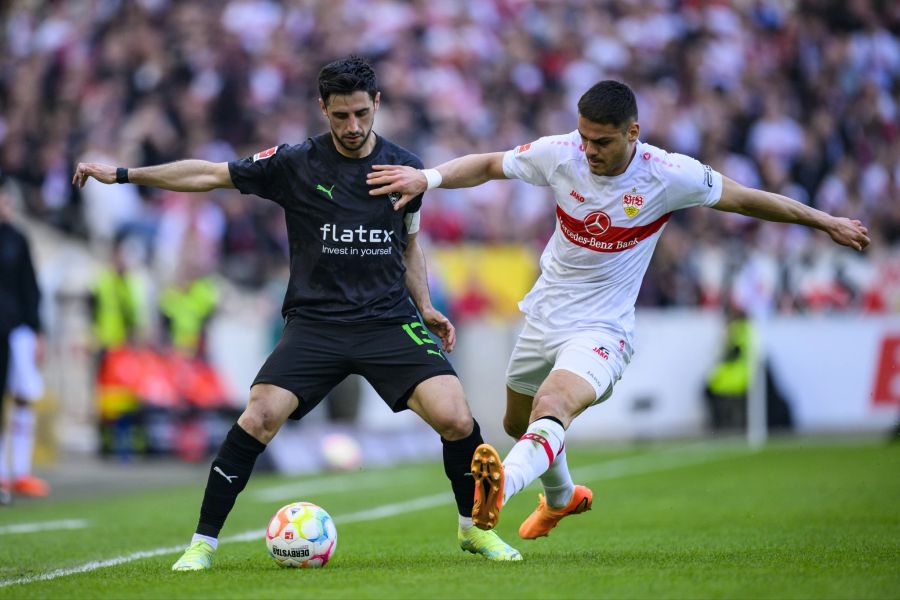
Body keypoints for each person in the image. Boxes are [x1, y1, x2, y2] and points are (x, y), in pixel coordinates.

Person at [367, 80, 870, 539]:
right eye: (585, 138)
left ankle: (500, 490)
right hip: (545, 313)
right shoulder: (561, 154)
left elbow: (744, 200)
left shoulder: (670, 174)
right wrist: (427, 178)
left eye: (602, 142)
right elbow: (488, 164)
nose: (589, 151)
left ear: (633, 132)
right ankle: (562, 497)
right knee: (521, 424)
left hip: (603, 327)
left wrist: (824, 221)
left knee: (551, 407)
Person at [72, 56, 521, 568]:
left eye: (360, 113)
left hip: (388, 320)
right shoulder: (295, 163)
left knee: (456, 416)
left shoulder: (405, 167)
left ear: (377, 104)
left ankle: (474, 530)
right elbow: (208, 175)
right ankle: (202, 543)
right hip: (317, 323)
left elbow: (409, 246)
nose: (352, 127)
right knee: (259, 416)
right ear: (323, 109)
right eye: (340, 116)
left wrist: (425, 307)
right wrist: (125, 174)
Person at [0, 176, 50, 505]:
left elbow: (31, 289)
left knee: (22, 397)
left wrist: (37, 331)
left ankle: (18, 471)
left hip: (16, 329)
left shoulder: (18, 238)